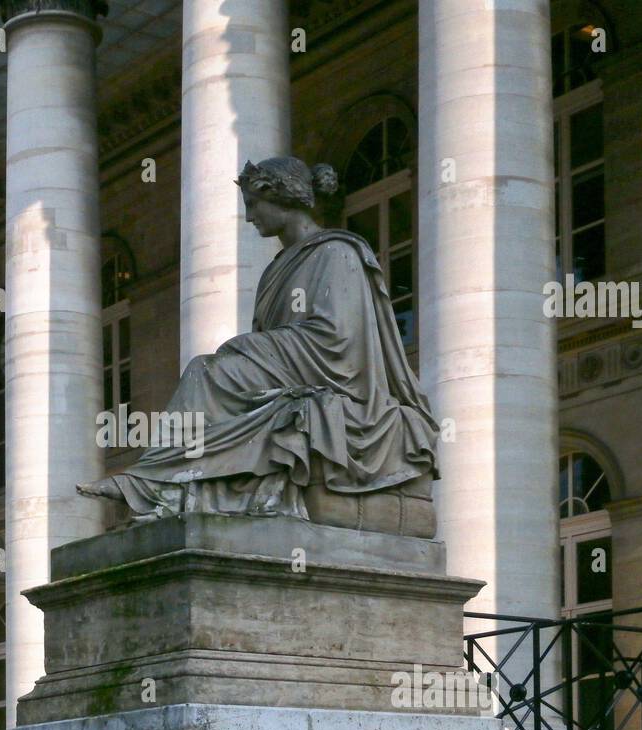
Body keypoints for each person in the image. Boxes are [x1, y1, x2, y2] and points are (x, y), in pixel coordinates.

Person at [77, 156, 439, 521]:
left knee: (206, 371)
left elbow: (340, 342)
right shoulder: (275, 270)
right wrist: (256, 350)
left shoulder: (337, 252)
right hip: (290, 374)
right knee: (212, 375)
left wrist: (249, 347)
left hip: (335, 377)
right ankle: (171, 485)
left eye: (254, 205)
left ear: (281, 195)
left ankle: (154, 481)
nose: (250, 217)